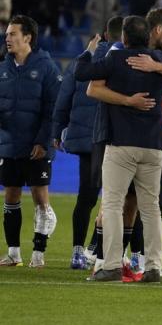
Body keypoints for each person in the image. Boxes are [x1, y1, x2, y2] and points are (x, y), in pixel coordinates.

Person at [74, 16, 162, 283]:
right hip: (153, 147)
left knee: (113, 204)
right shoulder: (161, 64)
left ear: (124, 39)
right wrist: (158, 64)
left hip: (122, 145)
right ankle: (152, 267)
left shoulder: (116, 60)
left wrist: (89, 51)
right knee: (150, 208)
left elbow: (81, 75)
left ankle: (113, 265)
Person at [0, 15, 61, 268]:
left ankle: (39, 253)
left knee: (40, 198)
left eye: (13, 33)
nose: (7, 37)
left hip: (37, 145)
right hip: (9, 144)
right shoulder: (2, 69)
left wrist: (43, 141)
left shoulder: (46, 67)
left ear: (28, 37)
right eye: (7, 34)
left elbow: (53, 110)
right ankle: (13, 252)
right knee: (11, 195)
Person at [53, 29, 103, 269]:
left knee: (86, 197)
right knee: (116, 200)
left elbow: (63, 99)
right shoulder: (121, 59)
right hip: (112, 139)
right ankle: (95, 249)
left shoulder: (79, 62)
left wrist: (57, 131)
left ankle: (77, 252)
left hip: (85, 140)